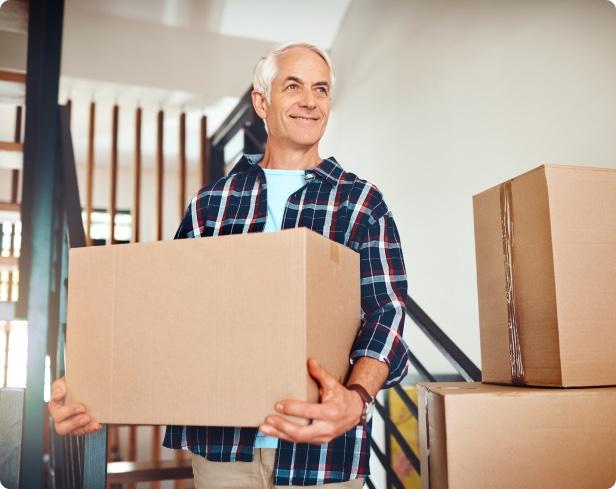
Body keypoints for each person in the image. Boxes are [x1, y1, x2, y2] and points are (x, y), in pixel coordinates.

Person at [50, 41, 410, 488]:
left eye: (321, 89)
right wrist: (88, 382)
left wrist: (355, 400)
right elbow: (167, 313)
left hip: (323, 456)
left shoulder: (360, 202)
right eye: (293, 86)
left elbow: (387, 312)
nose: (309, 101)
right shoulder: (212, 204)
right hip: (223, 450)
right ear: (262, 101)